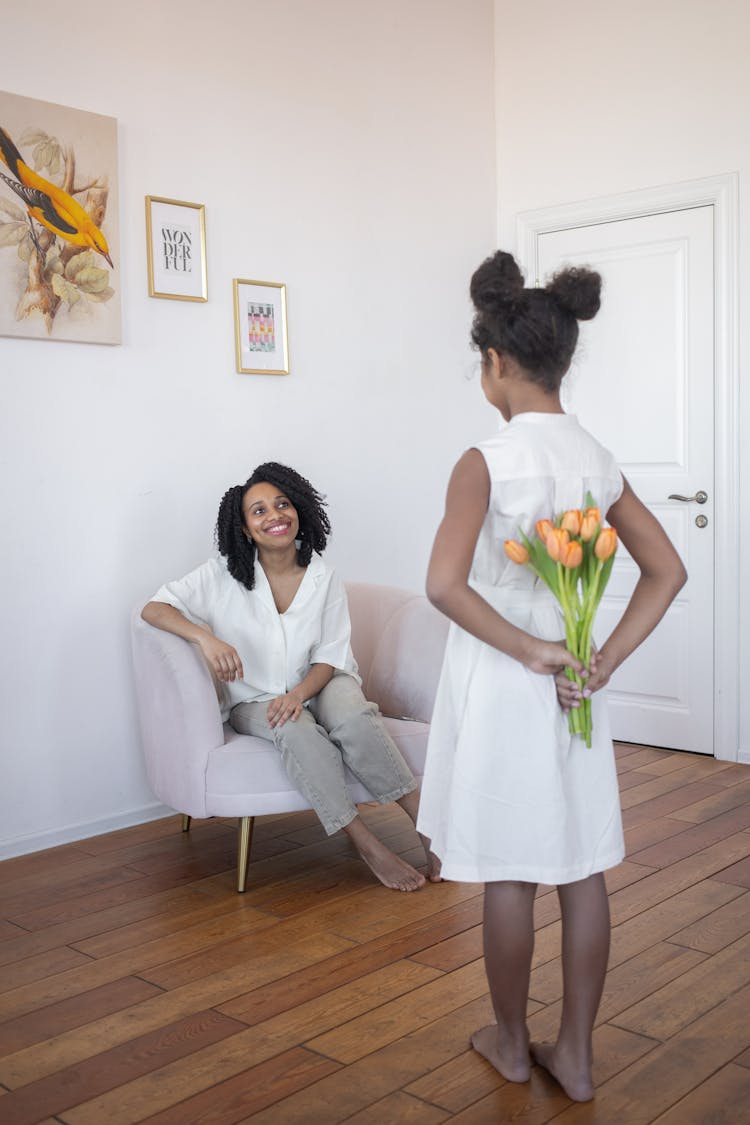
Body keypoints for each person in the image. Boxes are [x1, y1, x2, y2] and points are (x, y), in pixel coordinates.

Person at [417, 251, 686, 1101]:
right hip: (578, 686)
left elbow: (443, 585)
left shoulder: (484, 460)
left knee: (510, 867)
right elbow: (667, 570)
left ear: (495, 363)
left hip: (509, 683)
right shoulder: (596, 457)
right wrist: (599, 659)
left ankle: (507, 1038)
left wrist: (530, 650)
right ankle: (575, 1053)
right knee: (580, 864)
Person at [142, 461, 441, 892]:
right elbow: (154, 607)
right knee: (295, 730)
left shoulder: (324, 578)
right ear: (245, 528)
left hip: (322, 682)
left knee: (354, 717)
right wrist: (204, 637)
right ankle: (365, 843)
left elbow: (330, 657)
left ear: (298, 510)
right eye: (259, 511)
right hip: (255, 699)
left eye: (281, 505)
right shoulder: (219, 576)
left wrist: (300, 693)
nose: (274, 516)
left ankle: (424, 823)